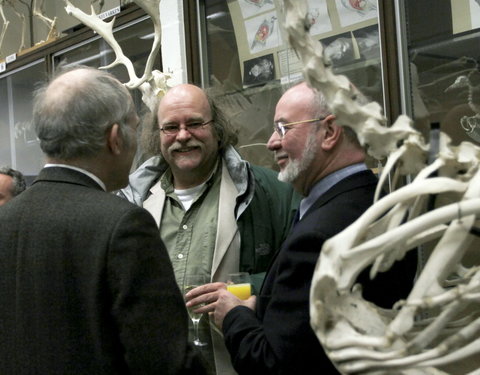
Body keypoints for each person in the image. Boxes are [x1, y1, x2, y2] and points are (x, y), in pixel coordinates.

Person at [185, 82, 416, 374]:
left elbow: (274, 364)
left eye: (283, 128)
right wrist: (265, 308)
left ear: (330, 133)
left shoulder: (318, 236)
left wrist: (234, 316)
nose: (271, 142)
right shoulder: (380, 204)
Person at [0, 65, 206, 375]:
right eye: (135, 128)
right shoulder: (123, 226)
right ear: (115, 139)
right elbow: (164, 360)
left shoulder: (5, 219)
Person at [118, 83, 300, 374]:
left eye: (194, 123)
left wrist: (245, 290)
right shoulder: (133, 203)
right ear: (158, 136)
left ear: (217, 128)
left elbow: (301, 277)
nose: (183, 135)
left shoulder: (269, 192)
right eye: (170, 127)